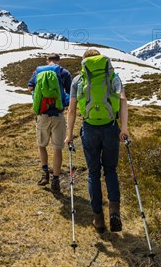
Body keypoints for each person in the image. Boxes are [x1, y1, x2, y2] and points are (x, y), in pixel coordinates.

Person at [65, 48, 128, 233]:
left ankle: (98, 219)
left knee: (93, 173)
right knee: (110, 170)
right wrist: (124, 128)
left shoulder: (78, 80)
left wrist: (69, 135)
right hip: (110, 127)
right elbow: (123, 101)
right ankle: (114, 212)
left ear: (85, 63)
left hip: (89, 128)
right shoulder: (113, 77)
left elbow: (71, 110)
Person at [28, 54, 72, 192]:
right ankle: (56, 180)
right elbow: (70, 93)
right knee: (57, 148)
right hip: (58, 114)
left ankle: (45, 173)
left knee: (41, 145)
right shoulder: (64, 72)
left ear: (47, 61)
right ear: (59, 61)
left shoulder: (38, 71)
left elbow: (30, 88)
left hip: (43, 114)